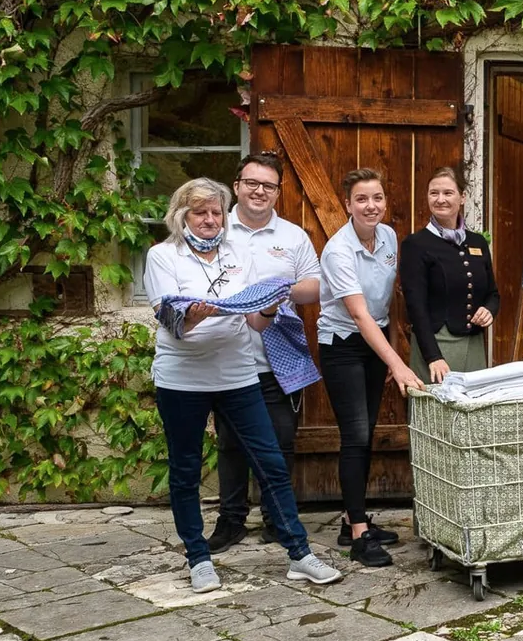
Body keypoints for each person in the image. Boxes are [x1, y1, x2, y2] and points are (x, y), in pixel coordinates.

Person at [146, 178, 342, 592]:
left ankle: (299, 553)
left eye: (216, 212)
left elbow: (255, 320)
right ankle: (199, 559)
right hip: (183, 379)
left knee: (270, 462)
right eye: (200, 212)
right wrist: (196, 314)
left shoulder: (237, 253)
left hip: (237, 374)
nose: (210, 220)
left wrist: (268, 305)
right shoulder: (163, 256)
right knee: (185, 468)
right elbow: (172, 321)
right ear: (182, 216)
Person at [205, 154, 322, 554]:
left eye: (268, 186)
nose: (259, 191)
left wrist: (279, 290)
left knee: (281, 442)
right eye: (252, 183)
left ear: (278, 192)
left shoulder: (292, 236)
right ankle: (231, 520)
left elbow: (316, 285)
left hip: (277, 358)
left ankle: (276, 518)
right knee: (230, 443)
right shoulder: (214, 231)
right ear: (236, 185)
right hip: (227, 354)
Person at [319, 168, 424, 568]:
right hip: (343, 346)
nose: (371, 206)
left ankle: (353, 520)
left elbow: (385, 306)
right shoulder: (338, 250)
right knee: (357, 435)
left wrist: (395, 346)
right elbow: (360, 315)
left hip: (375, 343)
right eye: (362, 199)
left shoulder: (389, 238)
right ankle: (359, 536)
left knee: (368, 433)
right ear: (348, 205)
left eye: (377, 198)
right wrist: (398, 364)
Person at [399, 167, 498, 384]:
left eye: (448, 193)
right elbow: (415, 306)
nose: (440, 199)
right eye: (434, 193)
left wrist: (489, 310)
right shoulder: (415, 244)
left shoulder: (477, 242)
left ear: (462, 197)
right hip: (436, 345)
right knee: (436, 415)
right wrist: (433, 356)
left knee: (473, 415)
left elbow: (492, 293)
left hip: (473, 345)